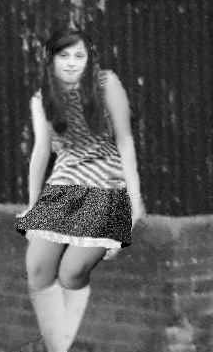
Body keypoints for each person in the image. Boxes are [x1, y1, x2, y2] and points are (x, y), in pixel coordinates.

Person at [15, 26, 145, 352]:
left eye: (79, 56)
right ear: (51, 60)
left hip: (106, 179)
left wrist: (135, 199)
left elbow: (125, 140)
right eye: (64, 56)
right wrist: (33, 205)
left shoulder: (107, 84)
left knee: (72, 271)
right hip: (65, 180)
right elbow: (42, 151)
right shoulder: (42, 99)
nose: (72, 63)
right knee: (38, 265)